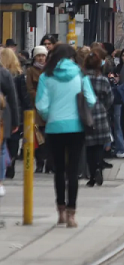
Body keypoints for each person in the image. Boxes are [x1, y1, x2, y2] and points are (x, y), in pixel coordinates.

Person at [35, 44, 97, 228]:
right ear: (72, 57)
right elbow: (92, 100)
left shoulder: (46, 76)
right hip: (76, 127)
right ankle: (72, 213)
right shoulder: (80, 74)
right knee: (73, 171)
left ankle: (60, 211)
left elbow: (41, 105)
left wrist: (50, 117)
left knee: (59, 170)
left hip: (54, 128)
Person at [83, 47, 114, 187]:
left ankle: (91, 174)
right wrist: (103, 108)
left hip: (85, 114)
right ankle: (99, 168)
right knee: (99, 146)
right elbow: (110, 98)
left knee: (89, 147)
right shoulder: (103, 80)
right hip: (100, 114)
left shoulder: (82, 79)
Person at [1, 47, 30, 179]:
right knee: (12, 141)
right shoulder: (17, 75)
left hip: (4, 112)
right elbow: (17, 98)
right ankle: (9, 164)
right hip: (11, 112)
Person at [26, 45, 52, 173]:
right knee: (38, 137)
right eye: (39, 56)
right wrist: (39, 97)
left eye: (43, 56)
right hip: (36, 107)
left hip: (50, 107)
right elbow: (29, 88)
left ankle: (49, 164)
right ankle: (40, 163)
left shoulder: (50, 70)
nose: (41, 58)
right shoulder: (31, 71)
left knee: (49, 138)